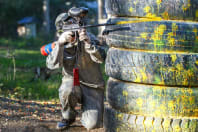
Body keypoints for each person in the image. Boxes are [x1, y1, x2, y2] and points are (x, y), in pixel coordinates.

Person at [46, 7, 105, 130]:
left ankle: (88, 114)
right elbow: (51, 65)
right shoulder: (60, 42)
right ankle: (68, 117)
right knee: (67, 89)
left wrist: (88, 43)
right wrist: (60, 44)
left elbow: (102, 58)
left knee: (93, 124)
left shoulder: (89, 37)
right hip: (72, 83)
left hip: (92, 86)